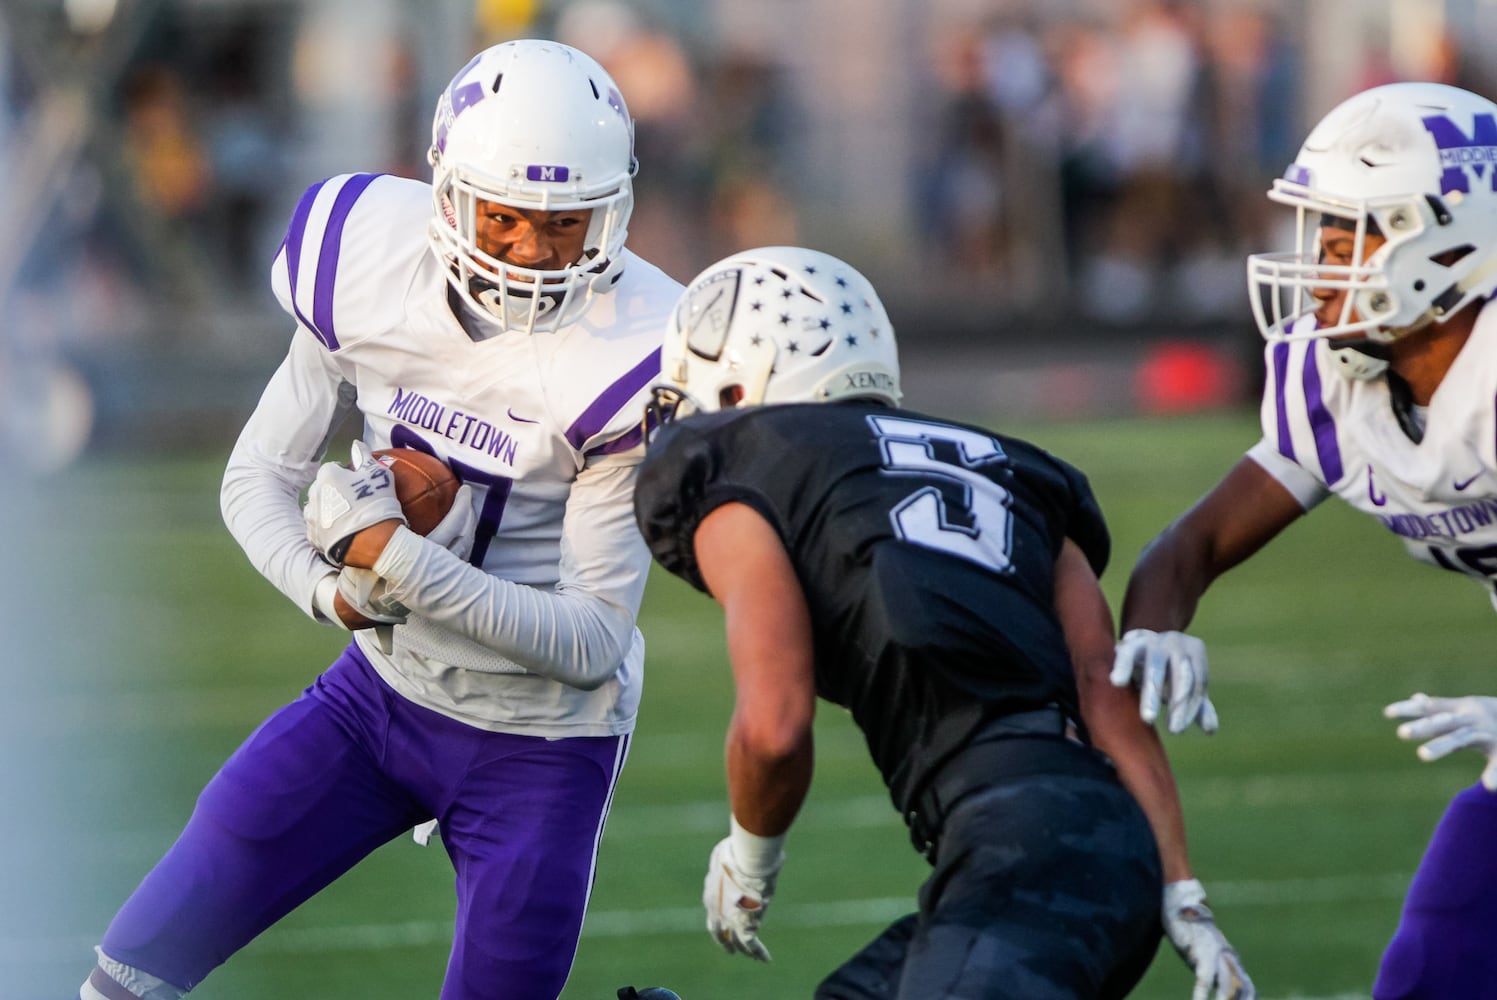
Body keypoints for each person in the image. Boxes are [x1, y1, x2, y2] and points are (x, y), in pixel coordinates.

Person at [80, 39, 682, 1000]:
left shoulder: (642, 351)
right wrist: (331, 592)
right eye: (508, 218)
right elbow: (256, 478)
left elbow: (592, 641)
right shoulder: (363, 261)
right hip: (373, 701)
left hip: (540, 742)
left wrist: (393, 562)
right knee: (128, 971)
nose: (533, 250)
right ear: (447, 194)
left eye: (564, 225)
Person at [631, 246, 1253, 998]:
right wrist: (1179, 888)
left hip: (1017, 852)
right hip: (1095, 850)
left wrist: (748, 857)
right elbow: (1100, 684)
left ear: (740, 379)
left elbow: (774, 725)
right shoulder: (1007, 466)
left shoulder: (744, 462)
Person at [1110, 81, 1497, 999]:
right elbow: (1190, 543)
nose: (1318, 267)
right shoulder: (1339, 382)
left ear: (1447, 237)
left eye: (1345, 235)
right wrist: (1156, 625)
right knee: (1431, 971)